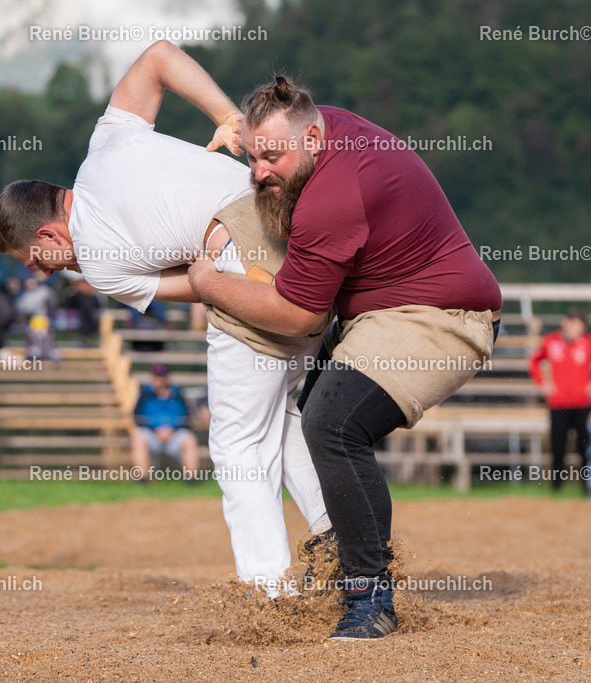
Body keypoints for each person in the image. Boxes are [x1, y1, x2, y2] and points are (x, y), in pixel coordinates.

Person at [0, 41, 331, 596]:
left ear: (49, 233)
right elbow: (159, 57)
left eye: (35, 258)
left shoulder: (95, 264)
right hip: (304, 234)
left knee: (235, 443)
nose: (41, 271)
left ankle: (269, 594)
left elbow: (197, 287)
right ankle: (339, 541)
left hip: (246, 259)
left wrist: (211, 263)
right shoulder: (105, 143)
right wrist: (231, 119)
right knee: (275, 416)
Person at [187, 74, 502, 640]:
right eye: (252, 157)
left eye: (272, 157)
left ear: (311, 138)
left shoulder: (332, 196)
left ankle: (369, 597)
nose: (259, 172)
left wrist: (207, 283)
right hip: (386, 312)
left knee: (332, 424)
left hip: (444, 318)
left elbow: (297, 315)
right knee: (312, 415)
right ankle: (339, 556)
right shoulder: (320, 126)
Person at [529, 308, 591, 490]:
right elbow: (534, 361)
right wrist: (543, 384)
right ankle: (556, 486)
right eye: (576, 326)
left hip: (583, 403)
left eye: (581, 327)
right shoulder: (550, 341)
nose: (578, 330)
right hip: (558, 403)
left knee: (584, 446)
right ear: (565, 323)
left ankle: (586, 485)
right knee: (557, 445)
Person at [131, 364, 199, 481]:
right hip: (152, 434)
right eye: (156, 376)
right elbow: (136, 417)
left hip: (175, 434)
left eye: (161, 376)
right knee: (139, 439)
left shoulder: (178, 394)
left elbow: (187, 418)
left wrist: (172, 430)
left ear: (167, 377)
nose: (159, 379)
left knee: (190, 440)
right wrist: (154, 429)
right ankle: (143, 480)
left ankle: (191, 480)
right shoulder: (145, 395)